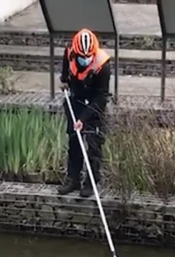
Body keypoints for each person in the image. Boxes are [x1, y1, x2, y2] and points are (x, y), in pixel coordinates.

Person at [58, 28, 113, 198]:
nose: (84, 60)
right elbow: (65, 74)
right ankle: (73, 179)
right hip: (76, 100)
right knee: (74, 141)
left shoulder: (102, 66)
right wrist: (64, 82)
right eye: (81, 57)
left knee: (93, 144)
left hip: (95, 105)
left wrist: (84, 118)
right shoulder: (69, 53)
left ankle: (91, 182)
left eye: (87, 57)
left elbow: (101, 96)